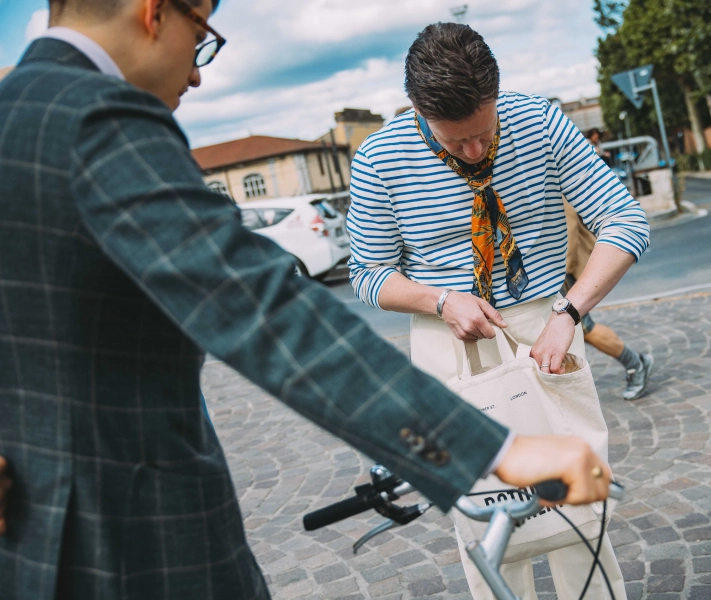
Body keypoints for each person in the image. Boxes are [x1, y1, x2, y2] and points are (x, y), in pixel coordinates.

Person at [0, 2, 615, 599]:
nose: (195, 69)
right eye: (202, 31)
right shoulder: (96, 119)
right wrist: (486, 449)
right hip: (128, 530)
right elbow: (267, 311)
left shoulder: (13, 113)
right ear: (154, 11)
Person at [347, 22, 649, 600]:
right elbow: (367, 273)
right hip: (447, 340)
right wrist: (438, 299)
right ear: (418, 108)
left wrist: (569, 312)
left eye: (484, 132)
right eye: (456, 141)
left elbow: (624, 220)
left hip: (544, 327)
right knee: (484, 519)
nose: (475, 151)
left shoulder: (539, 120)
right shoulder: (380, 158)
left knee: (575, 510)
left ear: (496, 94)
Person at [563, 198, 653, 400]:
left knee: (584, 329)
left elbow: (569, 230)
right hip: (549, 276)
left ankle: (636, 364)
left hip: (559, 275)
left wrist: (560, 273)